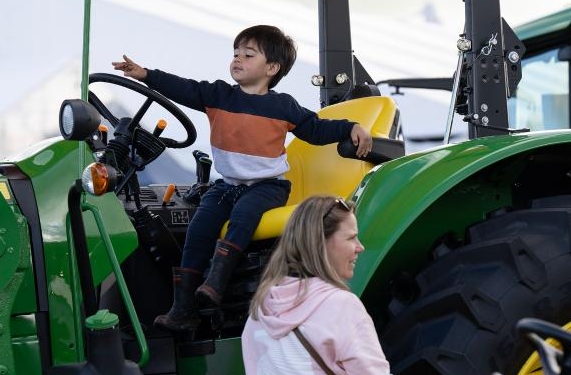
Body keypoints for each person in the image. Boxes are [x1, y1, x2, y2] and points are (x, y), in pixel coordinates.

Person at [112, 25, 374, 332]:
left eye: (248, 55)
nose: (238, 59)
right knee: (199, 227)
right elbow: (184, 88)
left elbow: (315, 129)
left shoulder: (282, 106)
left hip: (268, 186)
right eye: (236, 53)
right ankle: (183, 309)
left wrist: (350, 127)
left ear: (272, 68)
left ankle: (216, 283)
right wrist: (146, 74)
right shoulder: (218, 95)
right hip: (228, 185)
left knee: (243, 216)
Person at [241, 194, 400, 375]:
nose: (360, 247)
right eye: (352, 237)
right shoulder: (340, 307)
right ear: (321, 243)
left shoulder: (258, 313)